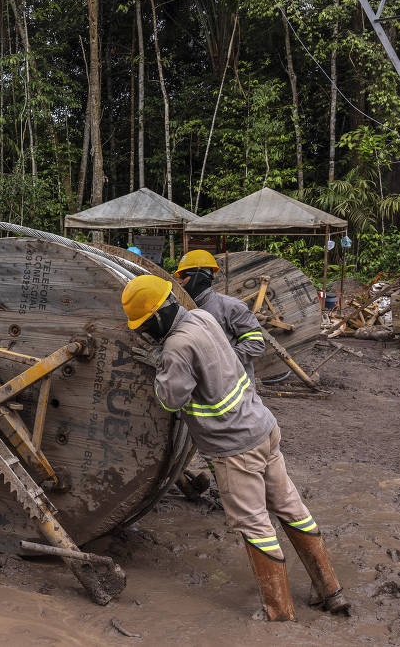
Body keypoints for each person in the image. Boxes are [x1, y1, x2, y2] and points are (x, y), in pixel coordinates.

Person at [121, 275, 349, 621]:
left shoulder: (176, 348)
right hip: (263, 427)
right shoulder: (203, 317)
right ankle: (331, 590)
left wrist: (159, 364)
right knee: (290, 507)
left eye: (144, 326)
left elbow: (170, 400)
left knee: (255, 526)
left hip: (233, 447)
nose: (143, 333)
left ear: (156, 317)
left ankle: (280, 614)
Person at [173, 250, 265, 380]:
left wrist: (219, 362)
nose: (179, 281)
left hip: (236, 391)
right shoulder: (180, 309)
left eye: (183, 275)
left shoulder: (231, 307)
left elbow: (255, 344)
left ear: (199, 277)